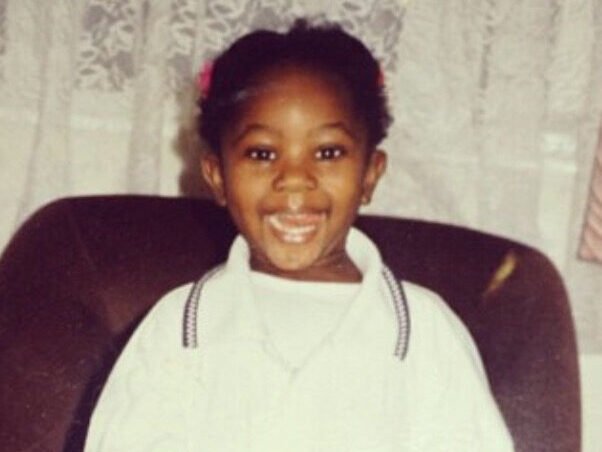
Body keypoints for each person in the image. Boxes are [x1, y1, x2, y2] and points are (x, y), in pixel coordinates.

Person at [84, 20, 514, 451]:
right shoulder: (177, 329)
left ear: (369, 174)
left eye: (327, 153)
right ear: (216, 175)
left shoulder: (426, 333)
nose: (294, 179)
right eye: (262, 153)